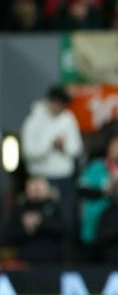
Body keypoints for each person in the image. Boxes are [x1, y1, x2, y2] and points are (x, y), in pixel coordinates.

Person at [21, 86, 83, 259]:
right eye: (58, 103)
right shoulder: (34, 120)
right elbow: (28, 152)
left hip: (65, 179)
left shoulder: (68, 119)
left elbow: (76, 148)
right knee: (41, 221)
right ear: (51, 101)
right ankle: (40, 259)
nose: (61, 108)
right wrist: (50, 145)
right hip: (42, 179)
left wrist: (64, 146)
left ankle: (66, 260)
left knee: (67, 220)